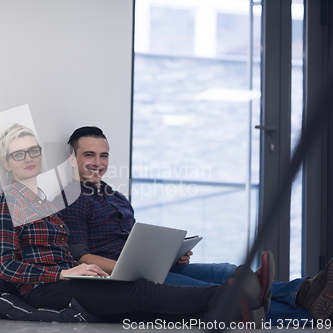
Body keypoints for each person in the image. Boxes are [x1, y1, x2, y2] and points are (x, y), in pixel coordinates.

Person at [0, 123, 272, 325]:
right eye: (18, 154)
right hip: (45, 288)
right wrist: (64, 274)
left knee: (144, 312)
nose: (29, 159)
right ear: (6, 162)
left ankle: (235, 310)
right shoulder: (8, 204)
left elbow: (62, 253)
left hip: (71, 279)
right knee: (142, 292)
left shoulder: (45, 203)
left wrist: (82, 271)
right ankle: (230, 297)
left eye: (33, 151)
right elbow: (5, 266)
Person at [54, 125, 333, 324]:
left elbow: (135, 240)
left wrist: (171, 254)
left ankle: (303, 291)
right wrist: (128, 270)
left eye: (103, 155)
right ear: (72, 159)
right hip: (126, 277)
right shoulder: (71, 199)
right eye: (88, 155)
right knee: (225, 293)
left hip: (148, 267)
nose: (98, 162)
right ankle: (310, 316)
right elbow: (81, 256)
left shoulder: (116, 196)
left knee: (225, 271)